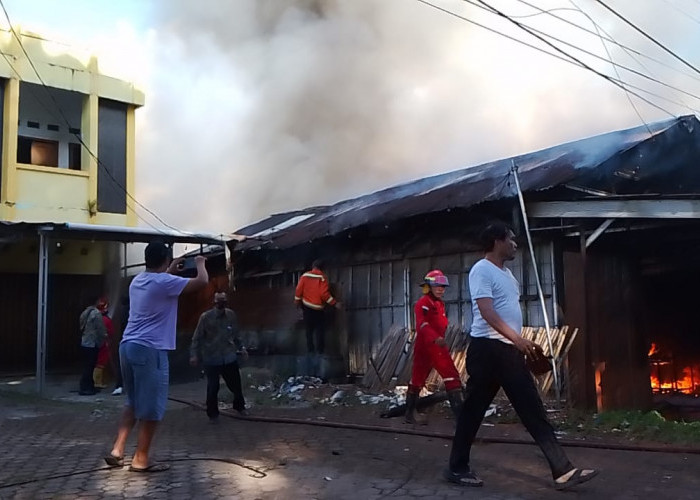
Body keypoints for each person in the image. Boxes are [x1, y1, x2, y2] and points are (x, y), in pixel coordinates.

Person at [444, 222, 598, 490]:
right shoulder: (482, 270)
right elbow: (487, 312)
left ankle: (562, 470)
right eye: (511, 239)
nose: (515, 244)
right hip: (488, 349)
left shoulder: (509, 275)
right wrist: (517, 339)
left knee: (530, 408)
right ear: (496, 240)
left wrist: (517, 342)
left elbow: (506, 314)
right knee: (474, 411)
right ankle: (457, 468)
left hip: (506, 351)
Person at [104, 242, 208, 473]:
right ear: (165, 258)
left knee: (132, 401)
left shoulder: (138, 281)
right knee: (152, 407)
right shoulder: (165, 283)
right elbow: (202, 282)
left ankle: (117, 450)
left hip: (128, 346)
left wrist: (169, 268)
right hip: (150, 349)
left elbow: (159, 281)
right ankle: (141, 459)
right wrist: (200, 264)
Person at [405, 270, 464, 425]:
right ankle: (461, 419)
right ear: (428, 286)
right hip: (428, 345)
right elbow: (422, 324)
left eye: (443, 287)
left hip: (435, 345)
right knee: (425, 378)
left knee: (449, 377)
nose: (441, 289)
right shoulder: (422, 304)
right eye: (437, 286)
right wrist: (435, 337)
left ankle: (410, 413)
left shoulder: (439, 304)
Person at [189, 291, 248, 423]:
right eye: (219, 301)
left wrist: (242, 348)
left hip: (228, 356)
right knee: (213, 387)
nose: (221, 304)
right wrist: (194, 355)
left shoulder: (231, 315)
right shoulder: (205, 317)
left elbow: (236, 334)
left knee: (235, 384)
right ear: (214, 302)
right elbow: (197, 338)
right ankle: (213, 414)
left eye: (224, 301)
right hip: (211, 357)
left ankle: (240, 407)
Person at [294, 259, 341, 355]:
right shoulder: (322, 278)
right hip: (318, 309)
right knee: (320, 330)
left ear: (313, 266)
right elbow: (324, 294)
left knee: (309, 330)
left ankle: (310, 351)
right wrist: (335, 303)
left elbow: (298, 290)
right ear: (323, 268)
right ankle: (320, 351)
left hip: (306, 307)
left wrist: (297, 302)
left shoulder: (305, 276)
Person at [78, 296, 108, 395]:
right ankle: (85, 387)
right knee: (90, 366)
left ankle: (89, 386)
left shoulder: (85, 312)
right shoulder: (96, 314)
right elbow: (100, 329)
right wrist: (104, 337)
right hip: (92, 342)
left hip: (85, 341)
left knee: (87, 365)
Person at [93, 298, 114, 389]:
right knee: (100, 363)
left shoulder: (94, 317)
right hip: (103, 343)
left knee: (96, 362)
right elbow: (111, 332)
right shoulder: (106, 320)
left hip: (94, 343)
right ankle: (97, 382)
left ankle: (97, 381)